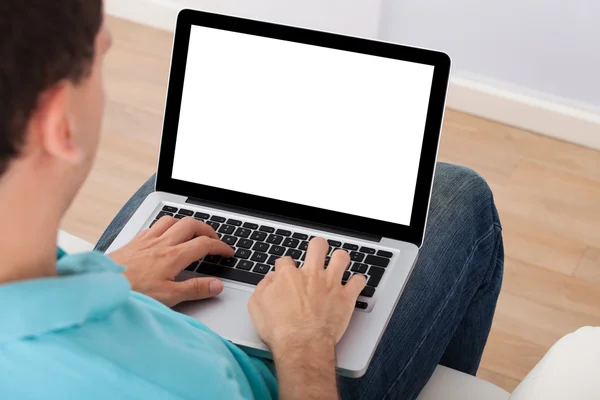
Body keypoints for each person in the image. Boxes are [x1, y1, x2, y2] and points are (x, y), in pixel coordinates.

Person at [0, 2, 503, 399]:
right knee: (462, 195)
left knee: (185, 190)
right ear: (59, 122)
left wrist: (106, 281)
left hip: (128, 302)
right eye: (101, 58)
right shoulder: (181, 388)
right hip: (288, 372)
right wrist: (304, 342)